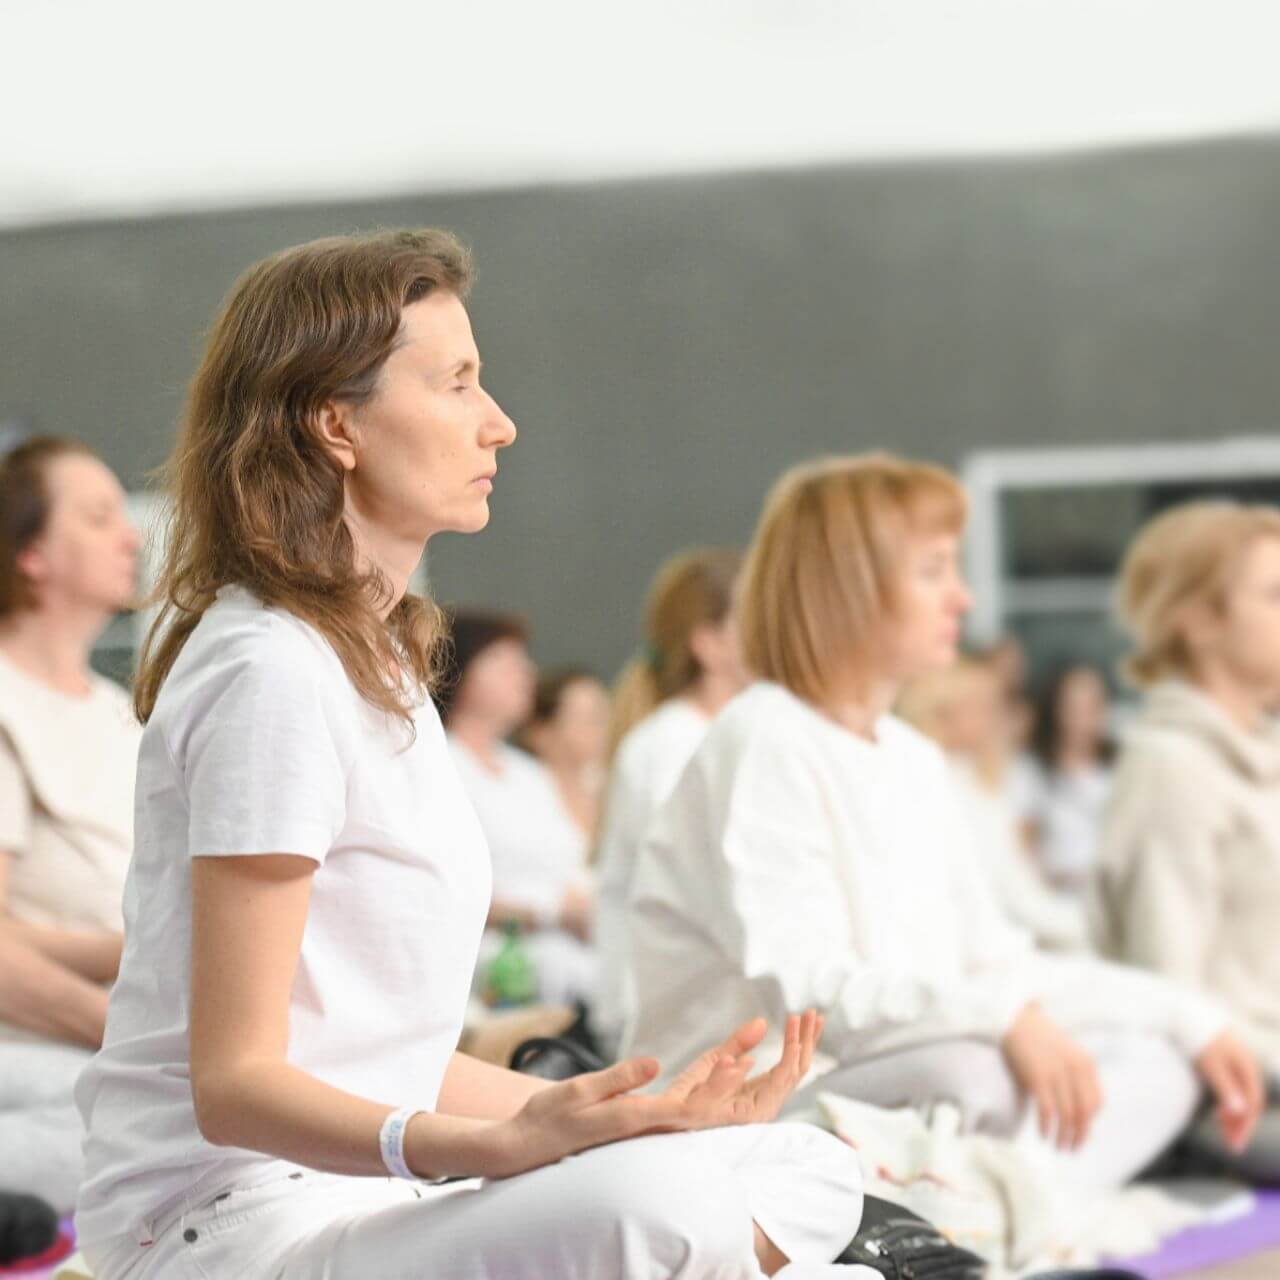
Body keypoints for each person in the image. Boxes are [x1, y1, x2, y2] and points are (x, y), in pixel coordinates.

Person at [72, 229, 868, 1280]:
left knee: (803, 1164)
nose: (499, 421)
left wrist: (624, 1114)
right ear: (335, 423)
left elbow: (386, 1058)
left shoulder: (379, 664)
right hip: (231, 1227)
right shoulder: (269, 668)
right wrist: (500, 1148)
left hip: (379, 1192)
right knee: (672, 1205)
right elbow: (235, 1087)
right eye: (456, 384)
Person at [624, 453, 1263, 1194]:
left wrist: (1192, 1019)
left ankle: (989, 1201)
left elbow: (996, 963)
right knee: (973, 1066)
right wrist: (1003, 1017)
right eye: (933, 572)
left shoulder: (912, 757)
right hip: (754, 1112)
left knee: (1163, 1057)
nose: (962, 597)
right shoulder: (764, 737)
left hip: (889, 1084)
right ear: (848, 589)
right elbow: (810, 999)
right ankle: (994, 1199)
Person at [1095, 500, 1280, 1179]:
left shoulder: (1261, 755)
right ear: (1197, 620)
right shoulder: (1171, 766)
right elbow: (1172, 996)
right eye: (1274, 595)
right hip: (1230, 1100)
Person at [0, 436, 142, 1212]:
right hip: (33, 1047)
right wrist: (136, 1033)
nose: (132, 537)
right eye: (98, 516)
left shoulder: (123, 715)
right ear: (31, 554)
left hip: (109, 1035)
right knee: (145, 1128)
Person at [594, 547, 747, 1048]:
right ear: (709, 644)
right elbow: (705, 880)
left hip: (705, 1010)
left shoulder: (730, 734)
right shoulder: (669, 744)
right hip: (665, 1023)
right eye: (755, 616)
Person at [440, 612, 598, 1008]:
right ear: (462, 670)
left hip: (571, 955)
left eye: (524, 660)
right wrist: (550, 913)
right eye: (506, 662)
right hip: (493, 966)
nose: (526, 673)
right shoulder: (441, 763)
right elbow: (449, 885)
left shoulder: (530, 773)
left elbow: (571, 862)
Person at [896, 659, 1088, 952]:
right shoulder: (938, 785)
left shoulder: (977, 786)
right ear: (945, 713)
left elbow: (1021, 891)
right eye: (981, 707)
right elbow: (1017, 899)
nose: (995, 718)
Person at [1024, 664, 1115, 895]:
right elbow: (1025, 844)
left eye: (1091, 707)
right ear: (1056, 710)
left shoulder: (1121, 770)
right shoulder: (1033, 772)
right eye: (1073, 707)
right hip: (1056, 895)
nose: (1082, 719)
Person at [520, 666, 611, 839]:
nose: (602, 730)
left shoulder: (607, 788)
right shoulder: (519, 792)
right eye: (589, 719)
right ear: (541, 731)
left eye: (604, 717)